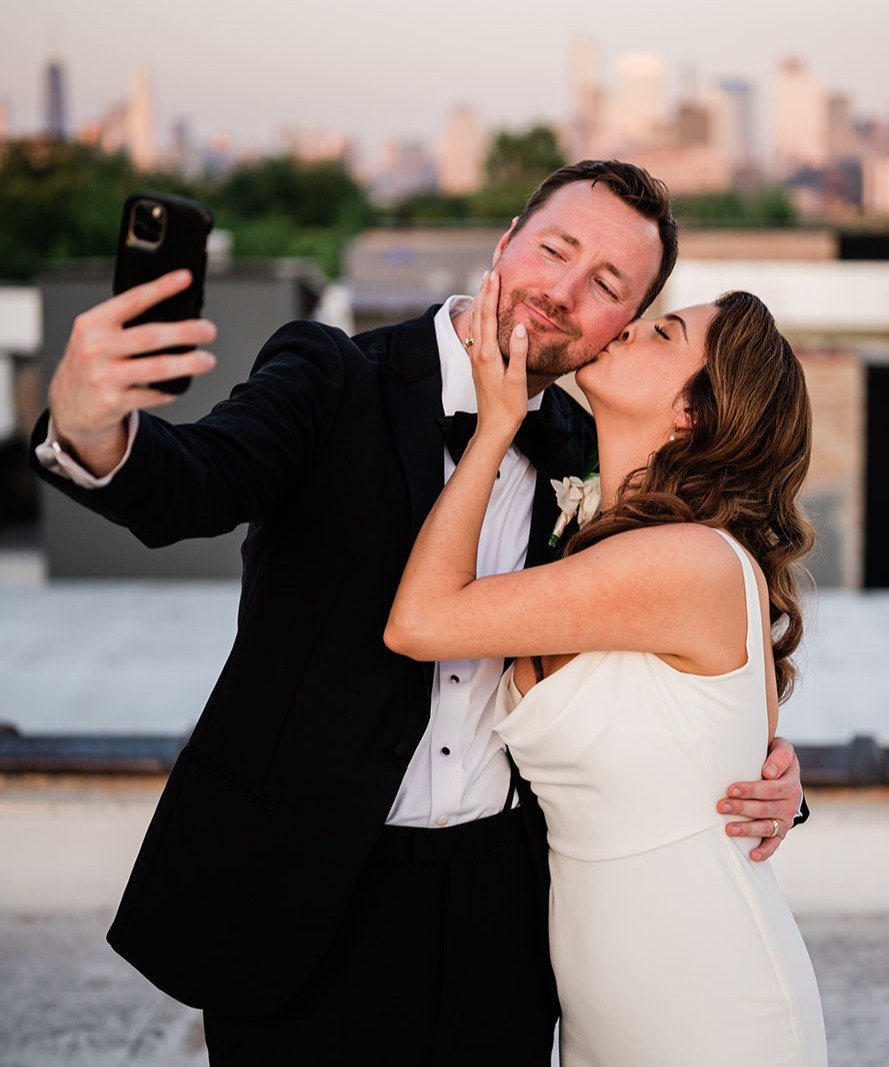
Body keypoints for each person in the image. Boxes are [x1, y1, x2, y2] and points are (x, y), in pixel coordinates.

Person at [31, 161, 808, 1065]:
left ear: (621, 327)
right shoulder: (331, 376)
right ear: (505, 241)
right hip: (302, 896)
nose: (562, 292)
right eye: (554, 249)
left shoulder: (593, 461)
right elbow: (198, 481)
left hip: (506, 923)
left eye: (606, 286)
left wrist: (764, 775)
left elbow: (668, 676)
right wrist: (90, 426)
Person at [386, 274, 826, 1065]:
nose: (626, 326)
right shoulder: (589, 541)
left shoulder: (689, 561)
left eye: (663, 333)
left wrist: (494, 428)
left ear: (694, 412)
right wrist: (776, 772)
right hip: (596, 1001)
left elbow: (419, 621)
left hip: (710, 996)